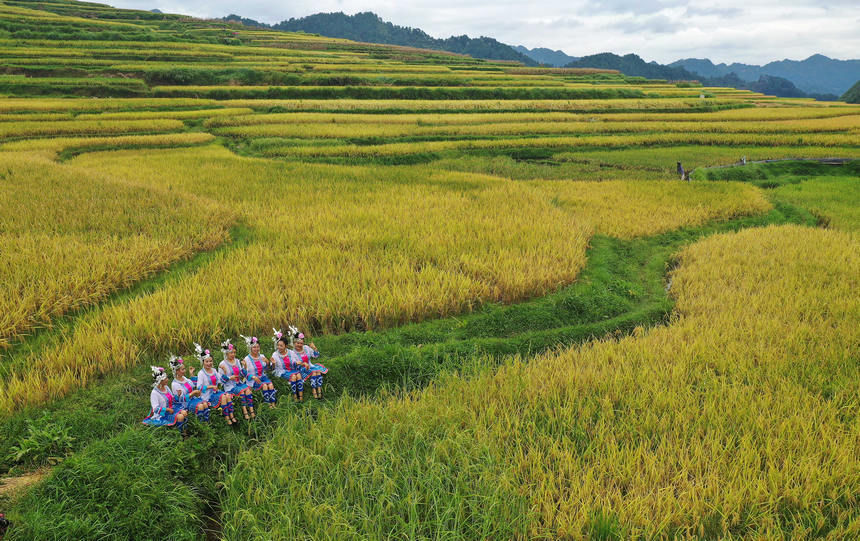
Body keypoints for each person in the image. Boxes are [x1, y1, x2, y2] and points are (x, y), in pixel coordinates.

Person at [195, 344, 237, 426]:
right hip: (207, 395)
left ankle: (232, 416)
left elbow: (220, 380)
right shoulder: (201, 373)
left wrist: (225, 373)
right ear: (203, 362)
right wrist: (211, 386)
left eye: (210, 361)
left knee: (227, 396)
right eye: (207, 361)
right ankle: (227, 418)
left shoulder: (214, 370)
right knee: (224, 396)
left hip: (215, 393)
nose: (209, 363)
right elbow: (199, 387)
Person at [286, 325, 328, 400]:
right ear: (294, 343)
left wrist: (314, 348)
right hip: (300, 369)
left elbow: (316, 356)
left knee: (317, 372)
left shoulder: (306, 348)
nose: (299, 345)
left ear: (303, 343)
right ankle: (314, 390)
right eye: (297, 343)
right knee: (314, 372)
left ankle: (319, 390)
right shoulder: (292, 352)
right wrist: (302, 364)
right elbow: (294, 364)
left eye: (301, 343)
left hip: (310, 366)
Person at [142, 365, 188, 432]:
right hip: (162, 414)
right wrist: (167, 409)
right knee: (180, 417)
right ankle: (181, 433)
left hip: (172, 408)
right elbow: (155, 408)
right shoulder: (154, 393)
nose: (167, 380)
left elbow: (172, 399)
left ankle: (183, 429)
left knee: (184, 413)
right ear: (160, 381)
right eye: (165, 379)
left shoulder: (166, 387)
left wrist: (178, 395)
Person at [219, 339, 255, 420]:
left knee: (248, 390)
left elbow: (242, 374)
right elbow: (221, 380)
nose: (233, 354)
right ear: (226, 353)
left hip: (239, 383)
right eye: (231, 352)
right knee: (242, 392)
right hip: (230, 386)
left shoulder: (237, 361)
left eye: (234, 352)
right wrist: (228, 377)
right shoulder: (222, 364)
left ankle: (252, 410)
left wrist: (245, 366)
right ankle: (245, 412)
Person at [170, 356, 211, 423]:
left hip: (193, 399)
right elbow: (180, 399)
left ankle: (207, 422)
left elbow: (193, 385)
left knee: (205, 404)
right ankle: (201, 424)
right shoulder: (175, 384)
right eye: (182, 369)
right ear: (177, 371)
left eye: (184, 369)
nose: (184, 371)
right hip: (185, 403)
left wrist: (191, 374)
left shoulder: (184, 378)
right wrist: (193, 393)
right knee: (200, 406)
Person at [241, 334, 277, 408]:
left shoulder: (262, 356)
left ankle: (273, 404)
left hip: (263, 377)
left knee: (270, 385)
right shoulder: (247, 359)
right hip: (253, 380)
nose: (256, 349)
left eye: (258, 347)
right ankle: (267, 404)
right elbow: (243, 374)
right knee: (264, 385)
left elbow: (268, 370)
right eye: (254, 347)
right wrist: (253, 377)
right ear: (250, 348)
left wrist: (268, 363)